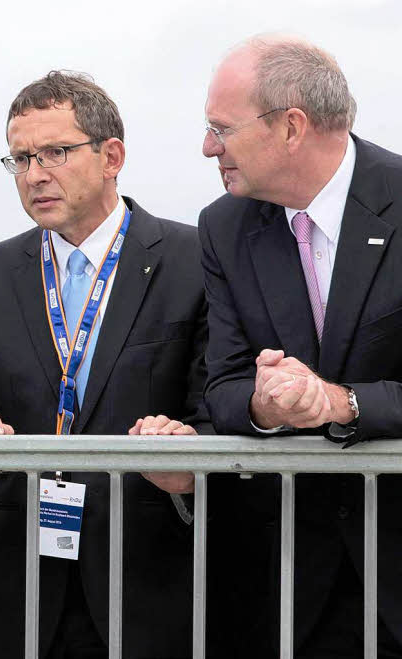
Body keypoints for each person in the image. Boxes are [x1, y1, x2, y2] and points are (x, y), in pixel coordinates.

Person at [0, 71, 221, 659]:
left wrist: (191, 456)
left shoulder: (196, 261)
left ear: (111, 155)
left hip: (153, 585)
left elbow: (218, 415)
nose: (35, 174)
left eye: (55, 153)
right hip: (20, 595)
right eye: (20, 159)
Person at [200, 34, 402, 657]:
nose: (208, 147)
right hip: (288, 588)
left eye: (221, 128)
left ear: (291, 127)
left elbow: (347, 397)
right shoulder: (225, 226)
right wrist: (268, 405)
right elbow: (223, 387)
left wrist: (342, 403)